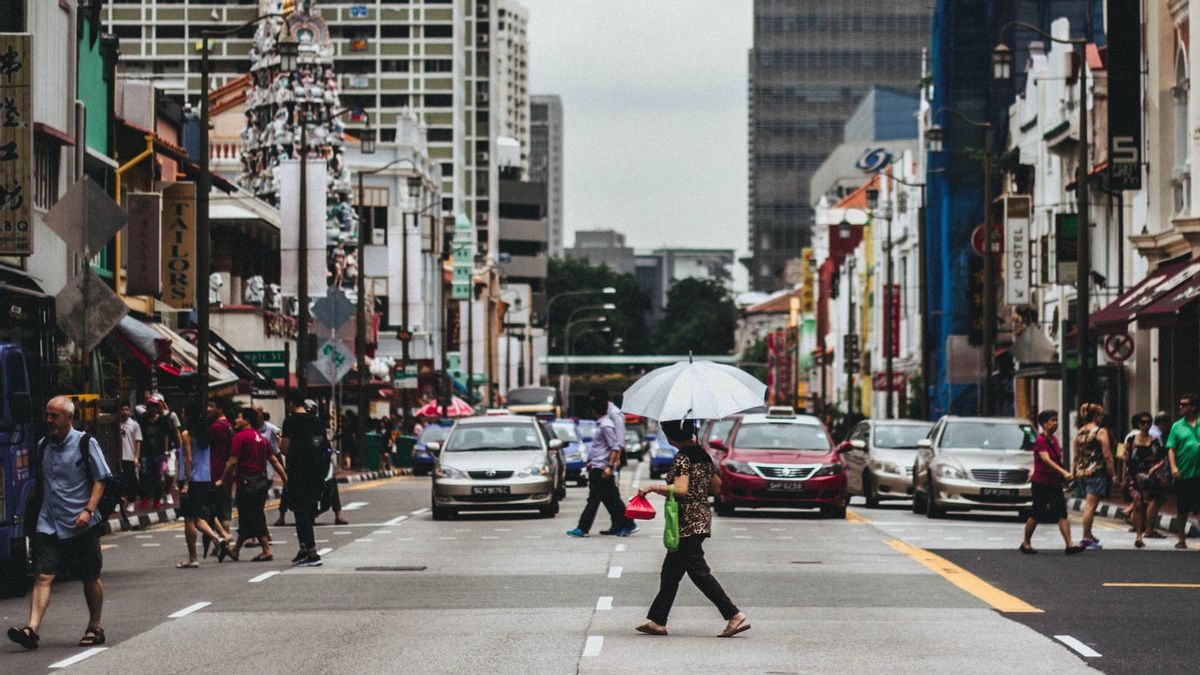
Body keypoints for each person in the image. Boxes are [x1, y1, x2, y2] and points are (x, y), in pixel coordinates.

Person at [7, 396, 112, 650]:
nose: (49, 420)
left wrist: (88, 510)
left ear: (69, 418)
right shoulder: (43, 445)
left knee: (89, 576)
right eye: (47, 414)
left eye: (54, 416)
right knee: (42, 575)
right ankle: (31, 629)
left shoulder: (86, 443)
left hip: (80, 523)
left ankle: (95, 626)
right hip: (50, 522)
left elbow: (101, 478)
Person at [634, 419, 749, 638]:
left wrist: (652, 487)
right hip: (701, 518)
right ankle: (658, 620)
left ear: (670, 436)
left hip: (687, 522)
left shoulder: (683, 458)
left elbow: (680, 490)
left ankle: (733, 614)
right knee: (670, 572)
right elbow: (716, 487)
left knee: (698, 572)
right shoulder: (703, 456)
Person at [220, 407, 287, 562]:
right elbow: (274, 460)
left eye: (239, 417)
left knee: (253, 515)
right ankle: (236, 549)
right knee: (248, 515)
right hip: (261, 482)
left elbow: (232, 461)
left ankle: (266, 549)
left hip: (246, 483)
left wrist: (222, 479)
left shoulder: (240, 437)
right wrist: (284, 478)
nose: (236, 420)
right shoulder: (260, 438)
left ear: (247, 420)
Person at [566, 397, 636, 538]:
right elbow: (604, 448)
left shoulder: (605, 425)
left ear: (593, 410)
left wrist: (610, 466)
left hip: (602, 469)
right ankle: (626, 524)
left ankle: (583, 527)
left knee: (595, 499)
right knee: (611, 499)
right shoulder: (603, 424)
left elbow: (615, 447)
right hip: (599, 466)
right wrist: (594, 462)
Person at [1020, 410, 1085, 555]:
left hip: (1054, 483)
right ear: (1044, 424)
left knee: (1062, 513)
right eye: (1052, 420)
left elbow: (1056, 460)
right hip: (1041, 482)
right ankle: (1026, 543)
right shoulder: (1040, 440)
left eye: (1056, 420)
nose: (1055, 423)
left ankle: (1069, 544)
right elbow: (1046, 460)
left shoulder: (1054, 440)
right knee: (1037, 513)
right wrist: (1063, 472)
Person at [176, 407, 231, 568]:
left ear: (187, 416)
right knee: (198, 517)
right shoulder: (204, 435)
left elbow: (188, 459)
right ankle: (218, 539)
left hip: (191, 480)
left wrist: (185, 482)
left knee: (189, 519)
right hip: (204, 479)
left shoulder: (187, 435)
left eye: (183, 413)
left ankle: (193, 557)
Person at [280, 397, 330, 567]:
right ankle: (303, 548)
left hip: (298, 471)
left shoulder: (290, 422)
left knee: (300, 511)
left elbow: (284, 448)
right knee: (308, 509)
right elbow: (323, 445)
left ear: (291, 404)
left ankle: (312, 552)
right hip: (316, 472)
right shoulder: (316, 421)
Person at [1073, 402, 1115, 550]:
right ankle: (1085, 537)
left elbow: (1076, 455)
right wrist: (1113, 473)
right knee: (1090, 507)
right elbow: (1107, 454)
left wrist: (1074, 472)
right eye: (1100, 415)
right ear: (1096, 416)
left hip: (1082, 472)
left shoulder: (1080, 432)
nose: (1101, 418)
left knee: (1089, 504)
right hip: (1096, 471)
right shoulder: (1100, 431)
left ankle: (1089, 534)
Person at [1123, 412, 1167, 549]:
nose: (1146, 425)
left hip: (1150, 477)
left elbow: (1162, 459)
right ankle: (1138, 536)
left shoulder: (1154, 440)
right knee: (1137, 503)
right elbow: (1125, 459)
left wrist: (1155, 470)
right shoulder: (1131, 440)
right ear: (1138, 424)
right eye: (1143, 422)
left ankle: (1146, 529)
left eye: (1148, 422)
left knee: (1147, 503)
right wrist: (1124, 477)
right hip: (1134, 477)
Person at [1166, 394, 1200, 551]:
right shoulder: (1177, 426)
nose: (1181, 407)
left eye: (1184, 404)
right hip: (1184, 472)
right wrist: (1173, 466)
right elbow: (1171, 448)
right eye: (1180, 404)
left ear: (1193, 407)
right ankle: (1181, 538)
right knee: (1182, 508)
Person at [207, 401, 236, 547]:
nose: (208, 409)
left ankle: (225, 540)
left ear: (220, 408)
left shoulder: (216, 427)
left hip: (216, 472)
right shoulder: (228, 425)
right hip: (226, 472)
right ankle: (224, 542)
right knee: (224, 507)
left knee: (215, 509)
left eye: (212, 406)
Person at [138, 396, 170, 509]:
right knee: (144, 475)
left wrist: (166, 450)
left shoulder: (162, 420)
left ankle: (157, 499)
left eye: (155, 407)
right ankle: (145, 498)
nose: (153, 409)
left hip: (159, 453)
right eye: (151, 406)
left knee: (157, 477)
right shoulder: (143, 420)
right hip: (145, 452)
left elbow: (166, 435)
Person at [117, 403, 141, 515]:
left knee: (131, 480)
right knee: (120, 480)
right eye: (122, 409)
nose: (124, 412)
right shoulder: (117, 423)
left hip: (130, 456)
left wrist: (136, 457)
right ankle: (119, 502)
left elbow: (138, 441)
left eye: (127, 409)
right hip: (119, 456)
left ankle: (131, 501)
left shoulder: (134, 424)